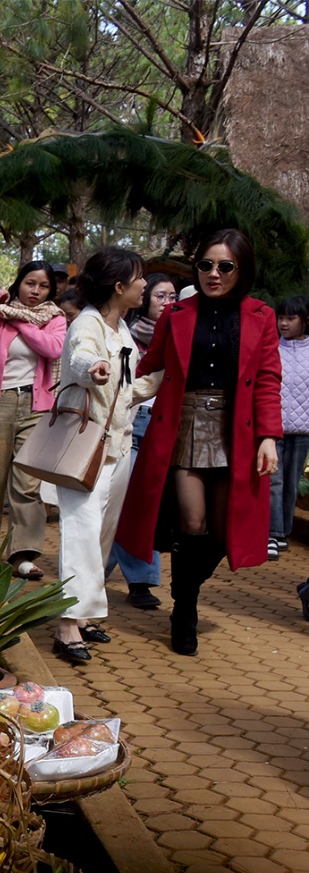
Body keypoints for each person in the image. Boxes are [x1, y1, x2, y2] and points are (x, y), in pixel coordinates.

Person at [117, 228, 282, 657]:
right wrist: (108, 382)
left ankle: (184, 584)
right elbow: (149, 369)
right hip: (183, 425)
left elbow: (267, 380)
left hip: (238, 430)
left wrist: (268, 437)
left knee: (228, 531)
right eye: (206, 265)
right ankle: (184, 610)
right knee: (191, 523)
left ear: (241, 270)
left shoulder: (261, 316)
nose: (213, 273)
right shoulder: (176, 314)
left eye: (224, 266)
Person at [50, 248, 154, 662]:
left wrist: (168, 377)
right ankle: (66, 624)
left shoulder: (123, 332)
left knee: (101, 535)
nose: (145, 285)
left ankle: (85, 615)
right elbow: (79, 358)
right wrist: (93, 367)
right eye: (140, 278)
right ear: (119, 286)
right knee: (80, 533)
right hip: (84, 446)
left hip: (117, 446)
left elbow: (129, 392)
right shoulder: (88, 324)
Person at [0, 260, 67, 579]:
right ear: (19, 284)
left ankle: (21, 555)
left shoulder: (54, 319)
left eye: (43, 286)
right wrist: (4, 293)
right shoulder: (1, 316)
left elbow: (52, 348)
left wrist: (23, 321)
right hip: (0, 404)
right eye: (29, 283)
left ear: (51, 290)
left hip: (36, 407)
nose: (35, 291)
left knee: (28, 485)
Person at [105, 273, 177, 607]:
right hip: (131, 422)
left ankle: (109, 571)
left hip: (166, 424)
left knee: (147, 502)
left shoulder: (181, 335)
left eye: (173, 296)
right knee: (124, 500)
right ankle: (138, 579)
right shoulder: (125, 334)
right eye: (160, 296)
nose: (168, 302)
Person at [269, 295, 309, 559]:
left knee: (292, 484)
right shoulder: (271, 348)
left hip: (303, 431)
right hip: (273, 429)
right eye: (281, 317)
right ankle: (273, 533)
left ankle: (284, 531)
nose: (283, 323)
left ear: (305, 321)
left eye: (290, 318)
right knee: (274, 481)